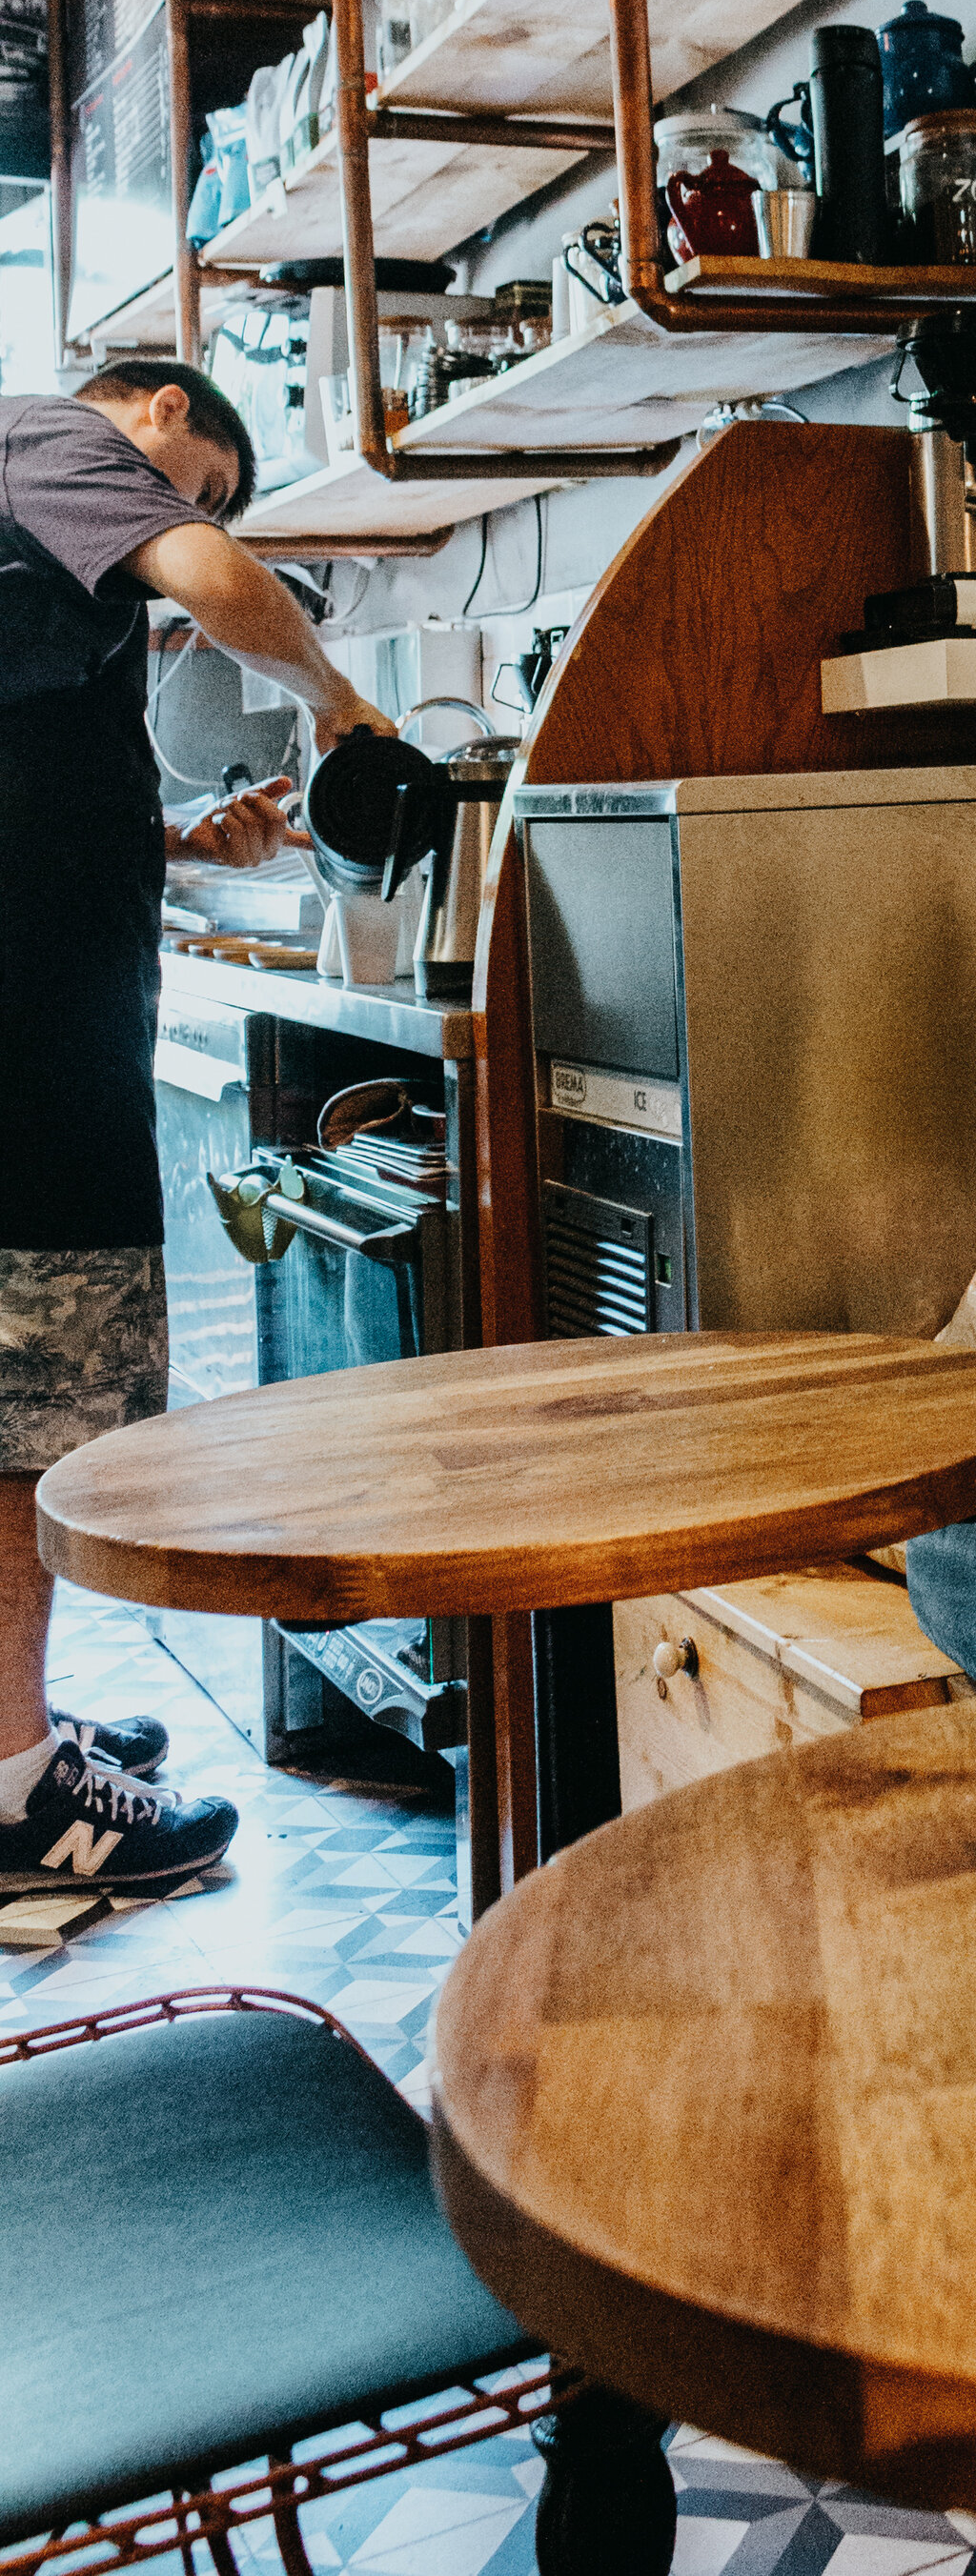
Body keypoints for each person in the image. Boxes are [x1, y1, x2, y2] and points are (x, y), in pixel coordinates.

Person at [0, 357, 396, 1890]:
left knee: (22, 1394)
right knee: (27, 1408)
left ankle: (13, 1729)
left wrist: (167, 839)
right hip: (27, 1042)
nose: (186, 516)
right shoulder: (56, 435)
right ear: (160, 408)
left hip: (37, 1018)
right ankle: (23, 1795)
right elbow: (214, 573)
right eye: (201, 477)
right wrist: (340, 702)